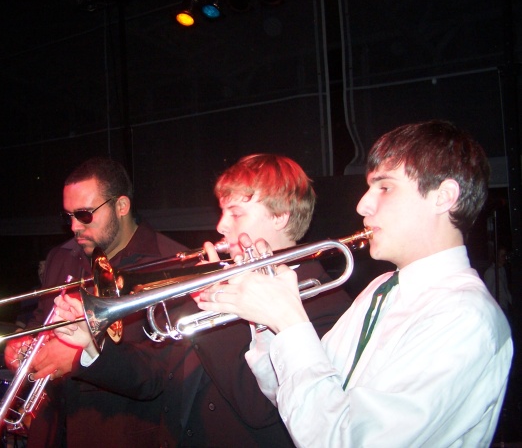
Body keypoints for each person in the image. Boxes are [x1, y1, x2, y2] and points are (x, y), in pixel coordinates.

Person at [197, 120, 514, 447]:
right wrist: (265, 320)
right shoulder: (380, 289)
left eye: (385, 187)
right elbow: (291, 395)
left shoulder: (464, 316)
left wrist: (289, 321)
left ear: (443, 197)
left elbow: (346, 440)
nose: (363, 205)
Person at [53, 153, 354, 446]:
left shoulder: (327, 304)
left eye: (236, 213)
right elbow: (151, 375)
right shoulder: (221, 279)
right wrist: (92, 345)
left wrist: (214, 299)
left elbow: (262, 409)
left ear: (280, 217)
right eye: (223, 212)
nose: (221, 225)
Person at [3, 156, 187, 447]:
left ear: (121, 206)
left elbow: (157, 374)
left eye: (84, 215)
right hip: (52, 431)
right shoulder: (61, 257)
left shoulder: (171, 265)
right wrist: (22, 343)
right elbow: (40, 320)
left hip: (116, 434)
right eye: (68, 216)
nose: (74, 227)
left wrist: (79, 356)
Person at [484, 246, 513, 318]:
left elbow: (505, 289)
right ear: (497, 257)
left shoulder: (502, 270)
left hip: (504, 306)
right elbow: (487, 291)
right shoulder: (491, 272)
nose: (504, 258)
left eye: (505, 255)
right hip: (497, 308)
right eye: (502, 256)